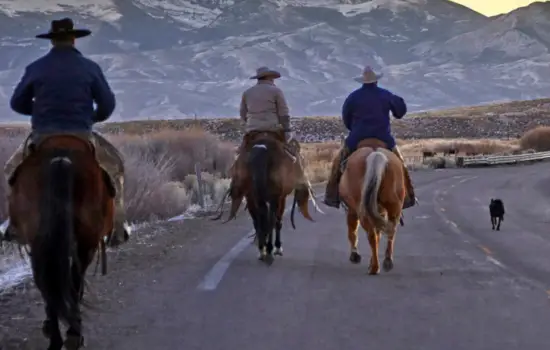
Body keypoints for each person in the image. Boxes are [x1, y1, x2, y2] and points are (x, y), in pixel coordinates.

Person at [0, 17, 130, 246]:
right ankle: (117, 228)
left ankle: (14, 225)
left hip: (43, 136)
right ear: (73, 39)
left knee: (12, 169)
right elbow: (107, 105)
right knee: (115, 167)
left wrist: (40, 111)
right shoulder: (90, 68)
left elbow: (16, 103)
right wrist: (90, 116)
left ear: (52, 41)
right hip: (81, 134)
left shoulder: (36, 67)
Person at [323, 66, 417, 209]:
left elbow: (346, 119)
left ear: (363, 81)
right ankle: (408, 196)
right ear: (376, 81)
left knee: (339, 162)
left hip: (357, 138)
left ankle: (332, 195)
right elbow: (400, 112)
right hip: (383, 138)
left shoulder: (353, 97)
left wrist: (355, 129)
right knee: (400, 164)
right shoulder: (385, 94)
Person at [228, 66, 311, 202]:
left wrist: (249, 124)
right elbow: (284, 113)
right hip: (273, 130)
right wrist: (286, 129)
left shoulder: (247, 93)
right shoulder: (276, 91)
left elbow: (243, 114)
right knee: (293, 153)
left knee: (241, 155)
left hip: (253, 131)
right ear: (269, 78)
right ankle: (301, 184)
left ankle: (235, 187)